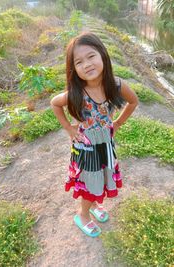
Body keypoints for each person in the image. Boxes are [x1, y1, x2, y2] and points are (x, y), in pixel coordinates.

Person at [50, 32, 138, 237]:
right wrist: (70, 129)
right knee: (90, 181)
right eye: (79, 62)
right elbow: (55, 103)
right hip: (86, 146)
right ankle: (83, 215)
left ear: (103, 56)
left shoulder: (115, 85)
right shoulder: (77, 93)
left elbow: (133, 102)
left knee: (104, 176)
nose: (87, 64)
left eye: (91, 56)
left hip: (106, 143)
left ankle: (94, 205)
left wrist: (117, 124)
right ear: (74, 69)